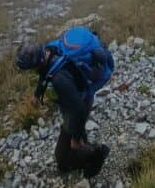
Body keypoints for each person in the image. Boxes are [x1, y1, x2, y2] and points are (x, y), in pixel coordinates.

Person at [15, 26, 113, 179]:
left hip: (79, 103)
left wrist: (74, 139)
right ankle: (84, 147)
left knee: (62, 160)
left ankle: (97, 154)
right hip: (77, 98)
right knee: (77, 135)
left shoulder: (59, 80)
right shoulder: (49, 50)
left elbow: (79, 110)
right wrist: (37, 95)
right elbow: (44, 73)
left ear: (36, 63)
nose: (29, 71)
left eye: (29, 68)